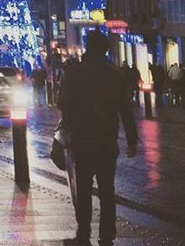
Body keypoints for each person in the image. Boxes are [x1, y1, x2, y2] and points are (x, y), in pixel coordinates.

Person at [59, 31, 138, 246]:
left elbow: (63, 102)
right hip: (106, 139)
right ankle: (107, 235)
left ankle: (83, 233)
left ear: (88, 47)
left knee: (83, 189)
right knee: (107, 190)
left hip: (83, 139)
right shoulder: (116, 74)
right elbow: (126, 110)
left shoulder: (76, 73)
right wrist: (132, 139)